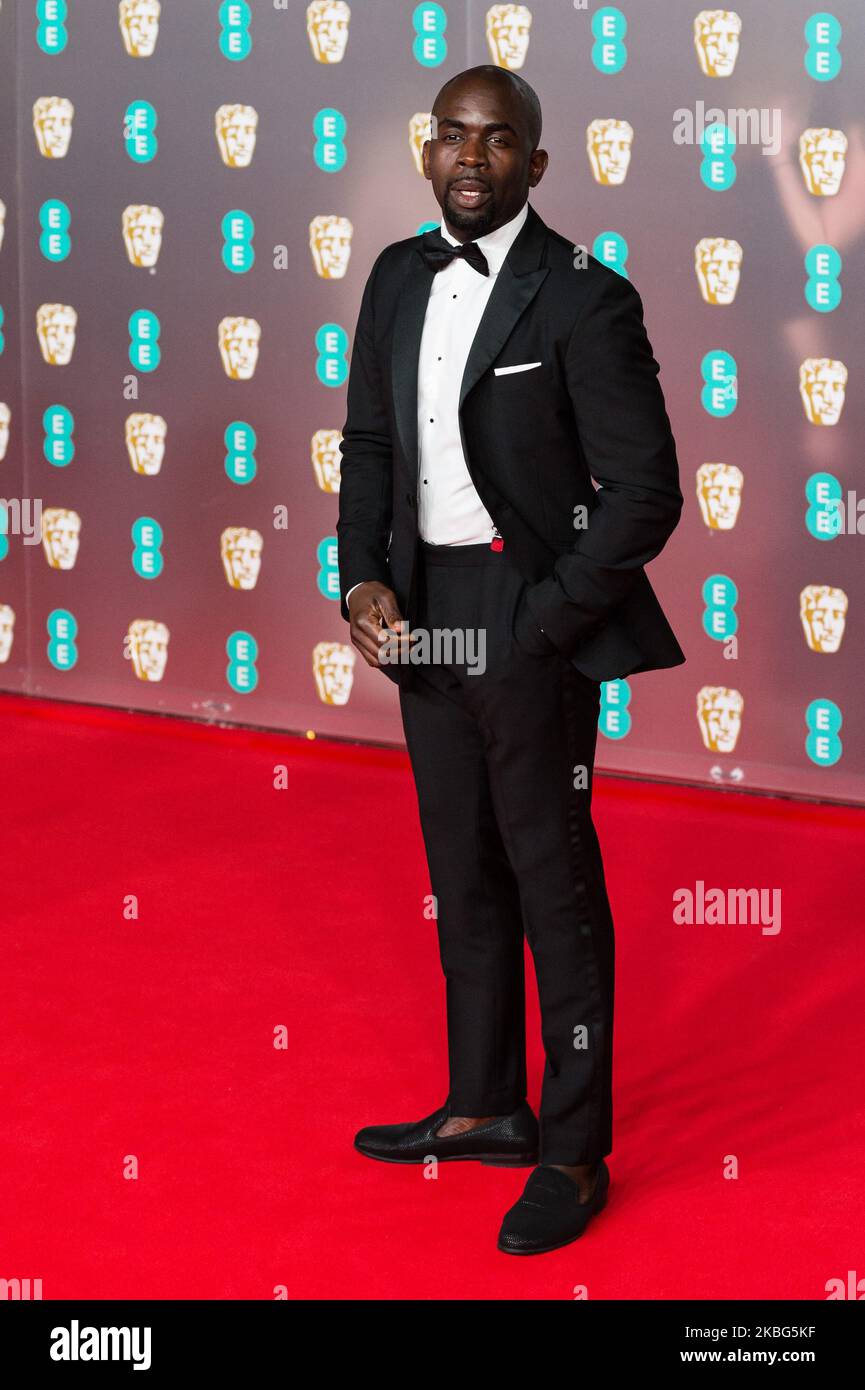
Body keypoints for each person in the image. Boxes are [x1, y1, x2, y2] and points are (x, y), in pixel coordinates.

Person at [336, 64, 685, 1255]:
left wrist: (543, 623)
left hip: (524, 610)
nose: (470, 157)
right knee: (461, 865)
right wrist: (360, 580)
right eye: (452, 136)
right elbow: (369, 445)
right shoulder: (393, 275)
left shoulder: (585, 298)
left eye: (498, 141)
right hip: (422, 610)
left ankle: (576, 1154)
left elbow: (644, 493)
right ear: (426, 151)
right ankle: (485, 1102)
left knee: (554, 888)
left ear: (535, 166)